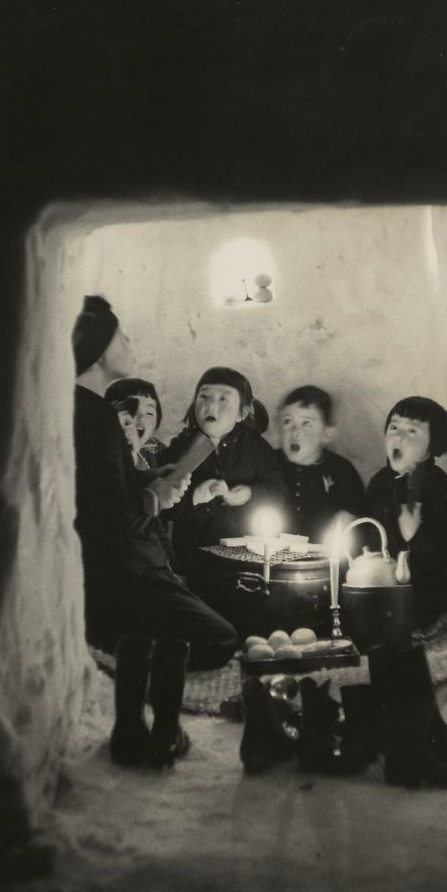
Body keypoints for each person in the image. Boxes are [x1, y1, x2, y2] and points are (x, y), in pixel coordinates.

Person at [72, 297, 238, 769]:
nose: (128, 344)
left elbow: (107, 486)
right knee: (219, 639)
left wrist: (153, 476)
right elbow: (110, 515)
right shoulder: (96, 417)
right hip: (128, 566)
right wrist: (157, 499)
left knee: (158, 627)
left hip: (129, 563)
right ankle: (156, 717)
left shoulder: (85, 409)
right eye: (121, 337)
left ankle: (134, 726)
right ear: (101, 350)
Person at [162, 366, 287, 570]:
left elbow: (278, 491)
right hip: (194, 556)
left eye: (223, 399)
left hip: (247, 555)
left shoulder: (256, 448)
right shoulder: (181, 448)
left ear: (242, 413)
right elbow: (164, 507)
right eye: (204, 397)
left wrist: (248, 494)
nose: (211, 405)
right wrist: (196, 497)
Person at [364, 396, 447, 630]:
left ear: (433, 444)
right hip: (379, 595)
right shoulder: (380, 482)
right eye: (394, 427)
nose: (398, 436)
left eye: (412, 431)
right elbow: (368, 531)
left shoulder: (439, 489)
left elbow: (445, 559)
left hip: (420, 605)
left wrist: (415, 536)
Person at [275, 385, 364, 543]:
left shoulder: (342, 471)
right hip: (271, 558)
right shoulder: (267, 463)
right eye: (287, 421)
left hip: (323, 561)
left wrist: (347, 521)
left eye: (306, 423)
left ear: (327, 433)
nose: (294, 431)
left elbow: (355, 519)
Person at [104, 377, 166, 470]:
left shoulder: (155, 451)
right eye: (132, 408)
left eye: (149, 413)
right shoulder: (104, 450)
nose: (141, 418)